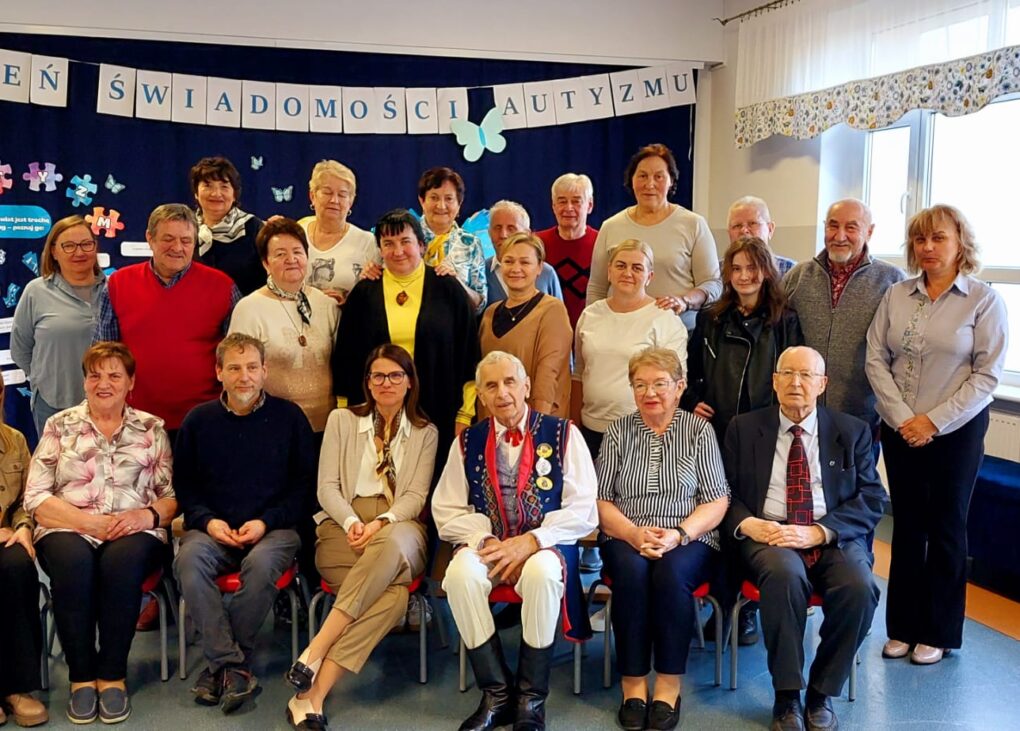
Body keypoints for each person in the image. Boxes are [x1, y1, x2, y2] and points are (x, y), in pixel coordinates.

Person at [866, 205, 1007, 666]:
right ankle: (903, 628)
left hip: (956, 432)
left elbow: (987, 375)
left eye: (938, 238)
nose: (928, 247)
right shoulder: (897, 295)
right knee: (907, 526)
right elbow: (875, 358)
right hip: (900, 428)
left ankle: (940, 632)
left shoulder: (983, 300)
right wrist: (903, 417)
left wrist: (934, 421)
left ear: (960, 243)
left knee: (946, 527)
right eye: (920, 239)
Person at [722, 346, 886, 731]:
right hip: (770, 533)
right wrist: (748, 524)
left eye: (806, 375)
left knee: (859, 587)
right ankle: (787, 697)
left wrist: (819, 531)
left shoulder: (852, 431)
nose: (796, 382)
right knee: (784, 576)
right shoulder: (743, 428)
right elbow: (722, 492)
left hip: (829, 534)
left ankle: (821, 694)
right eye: (788, 373)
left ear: (822, 384)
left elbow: (872, 497)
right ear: (774, 381)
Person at [433, 351, 598, 731]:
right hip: (491, 544)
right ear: (481, 396)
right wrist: (484, 539)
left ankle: (530, 698)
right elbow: (446, 508)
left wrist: (533, 540)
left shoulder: (563, 433)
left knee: (541, 573)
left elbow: (584, 507)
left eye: (510, 382)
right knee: (460, 576)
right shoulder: (467, 442)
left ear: (526, 386)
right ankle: (497, 694)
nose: (502, 392)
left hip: (546, 545)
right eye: (491, 385)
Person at [284, 344, 437, 730]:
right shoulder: (341, 421)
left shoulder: (426, 432)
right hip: (343, 523)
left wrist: (380, 523)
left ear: (409, 382)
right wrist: (353, 521)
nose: (386, 383)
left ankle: (315, 649)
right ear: (367, 383)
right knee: (394, 597)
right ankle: (312, 695)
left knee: (391, 544)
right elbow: (326, 487)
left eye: (396, 375)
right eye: (378, 376)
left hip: (400, 525)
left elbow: (416, 497)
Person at [24, 342, 176, 725]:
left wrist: (145, 515)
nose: (103, 383)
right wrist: (88, 524)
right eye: (95, 375)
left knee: (121, 565)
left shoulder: (152, 429)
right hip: (67, 525)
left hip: (134, 529)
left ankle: (111, 676)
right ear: (84, 382)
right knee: (73, 565)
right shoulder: (59, 425)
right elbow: (36, 497)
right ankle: (81, 678)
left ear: (131, 382)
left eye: (114, 375)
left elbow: (170, 499)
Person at [172, 333, 315, 714]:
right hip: (213, 530)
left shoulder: (290, 418)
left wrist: (265, 522)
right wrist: (208, 522)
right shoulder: (198, 421)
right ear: (219, 372)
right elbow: (185, 487)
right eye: (234, 368)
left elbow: (304, 488)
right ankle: (233, 665)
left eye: (252, 367)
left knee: (262, 564)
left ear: (265, 370)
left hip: (274, 529)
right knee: (188, 561)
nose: (244, 376)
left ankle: (220, 666)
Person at [597, 347, 729, 731]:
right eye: (640, 385)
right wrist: (632, 532)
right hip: (626, 532)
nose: (649, 392)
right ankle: (633, 683)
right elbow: (601, 500)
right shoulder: (618, 431)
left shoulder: (698, 430)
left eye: (659, 384)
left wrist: (679, 534)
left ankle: (669, 684)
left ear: (680, 386)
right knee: (632, 573)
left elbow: (717, 499)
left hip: (688, 534)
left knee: (671, 575)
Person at [684, 237, 803, 647]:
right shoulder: (711, 319)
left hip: (765, 435)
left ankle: (748, 608)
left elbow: (793, 377)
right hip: (718, 432)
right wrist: (693, 400)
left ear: (766, 271)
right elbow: (691, 371)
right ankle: (718, 600)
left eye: (752, 268)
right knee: (719, 516)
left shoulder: (785, 320)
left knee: (754, 516)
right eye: (736, 269)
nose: (744, 276)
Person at [333, 209, 479, 480]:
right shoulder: (364, 292)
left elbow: (469, 354)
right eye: (388, 243)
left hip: (438, 409)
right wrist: (345, 413)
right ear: (380, 250)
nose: (398, 251)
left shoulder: (448, 289)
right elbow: (346, 356)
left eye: (405, 241)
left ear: (421, 245)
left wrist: (465, 414)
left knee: (432, 486)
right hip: (376, 412)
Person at [94, 203, 240, 439]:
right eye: (168, 239)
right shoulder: (118, 284)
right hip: (135, 421)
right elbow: (103, 356)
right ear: (150, 238)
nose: (177, 248)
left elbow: (238, 356)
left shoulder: (223, 287)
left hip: (205, 421)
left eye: (186, 240)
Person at [783, 199, 904, 441]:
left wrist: (889, 413)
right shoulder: (798, 277)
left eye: (851, 227)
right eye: (833, 226)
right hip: (804, 414)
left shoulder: (891, 281)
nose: (839, 236)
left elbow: (901, 353)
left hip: (863, 417)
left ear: (869, 232)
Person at [573, 240, 688, 460]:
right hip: (591, 429)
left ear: (649, 276)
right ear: (609, 272)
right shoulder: (590, 314)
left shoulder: (664, 319)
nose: (627, 273)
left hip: (642, 433)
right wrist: (574, 426)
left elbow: (676, 385)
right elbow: (579, 373)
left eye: (637, 268)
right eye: (620, 265)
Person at [587, 144, 721, 330]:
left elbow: (712, 284)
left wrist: (684, 301)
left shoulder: (694, 224)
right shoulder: (611, 226)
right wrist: (594, 326)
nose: (649, 184)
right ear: (632, 180)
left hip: (679, 332)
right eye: (642, 176)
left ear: (671, 181)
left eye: (659, 177)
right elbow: (597, 288)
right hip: (620, 332)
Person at [229, 217, 339, 433]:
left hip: (326, 428)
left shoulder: (326, 304)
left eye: (298, 252)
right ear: (265, 263)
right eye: (280, 254)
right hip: (271, 428)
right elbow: (239, 373)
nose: (291, 260)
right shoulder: (249, 308)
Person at [11, 214, 105, 437]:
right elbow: (20, 349)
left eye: (86, 244)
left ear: (95, 247)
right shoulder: (36, 291)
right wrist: (44, 380)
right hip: (53, 404)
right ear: (53, 251)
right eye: (69, 246)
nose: (79, 252)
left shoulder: (114, 289)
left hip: (106, 402)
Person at [479, 232, 572, 419]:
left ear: (539, 268)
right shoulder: (490, 313)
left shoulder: (552, 310)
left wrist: (537, 424)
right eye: (509, 261)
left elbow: (549, 374)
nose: (516, 268)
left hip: (535, 421)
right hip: (494, 422)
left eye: (525, 262)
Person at [0, 384, 47, 728]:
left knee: (18, 566)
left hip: (6, 535)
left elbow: (25, 500)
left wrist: (24, 528)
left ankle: (16, 686)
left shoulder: (15, 440)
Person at [299, 159, 380, 304]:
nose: (334, 200)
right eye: (327, 192)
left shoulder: (368, 242)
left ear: (351, 201)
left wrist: (349, 302)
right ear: (312, 196)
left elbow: (379, 295)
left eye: (342, 195)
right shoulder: (296, 234)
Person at [191, 156, 265, 295]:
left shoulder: (253, 227)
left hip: (244, 307)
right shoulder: (187, 228)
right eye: (208, 186)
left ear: (234, 194)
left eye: (224, 187)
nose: (216, 193)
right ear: (196, 192)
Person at [418, 166, 487, 311]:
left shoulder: (470, 243)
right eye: (434, 198)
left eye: (449, 199)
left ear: (459, 204)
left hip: (457, 323)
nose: (441, 206)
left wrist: (457, 283)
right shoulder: (406, 237)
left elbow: (479, 305)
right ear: (422, 201)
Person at [536, 173, 598, 328]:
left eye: (576, 201)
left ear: (590, 205)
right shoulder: (536, 244)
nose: (568, 208)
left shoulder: (603, 243)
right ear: (553, 206)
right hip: (545, 330)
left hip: (592, 330)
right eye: (562, 201)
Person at [485, 200, 562, 304]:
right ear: (489, 232)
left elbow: (559, 311)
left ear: (526, 233)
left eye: (511, 228)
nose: (503, 235)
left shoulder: (546, 273)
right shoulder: (481, 273)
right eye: (497, 228)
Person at [726, 197, 796, 275]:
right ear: (728, 232)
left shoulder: (792, 272)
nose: (744, 230)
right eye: (737, 226)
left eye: (752, 223)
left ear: (770, 229)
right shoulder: (717, 273)